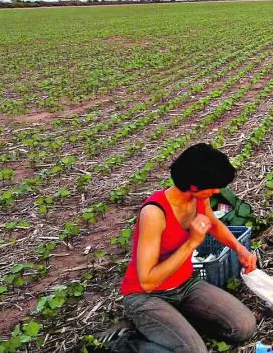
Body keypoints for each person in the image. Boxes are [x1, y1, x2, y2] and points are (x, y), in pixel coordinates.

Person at [108, 143, 257, 351]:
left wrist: (240, 249)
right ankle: (128, 344)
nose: (217, 191)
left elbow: (213, 224)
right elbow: (148, 281)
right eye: (212, 187)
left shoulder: (198, 199)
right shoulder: (154, 213)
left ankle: (176, 325)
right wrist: (192, 242)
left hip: (185, 285)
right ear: (194, 186)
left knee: (244, 327)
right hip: (147, 297)